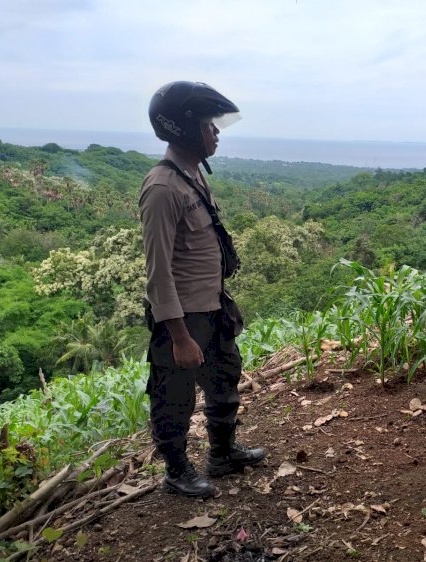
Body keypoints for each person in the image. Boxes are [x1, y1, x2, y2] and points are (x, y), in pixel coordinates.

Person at [140, 81, 265, 498]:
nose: (216, 133)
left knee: (224, 380)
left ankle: (223, 455)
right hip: (183, 316)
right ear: (185, 129)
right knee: (173, 398)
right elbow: (158, 272)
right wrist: (178, 336)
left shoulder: (192, 175)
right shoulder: (162, 188)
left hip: (212, 306)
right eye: (209, 125)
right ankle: (177, 472)